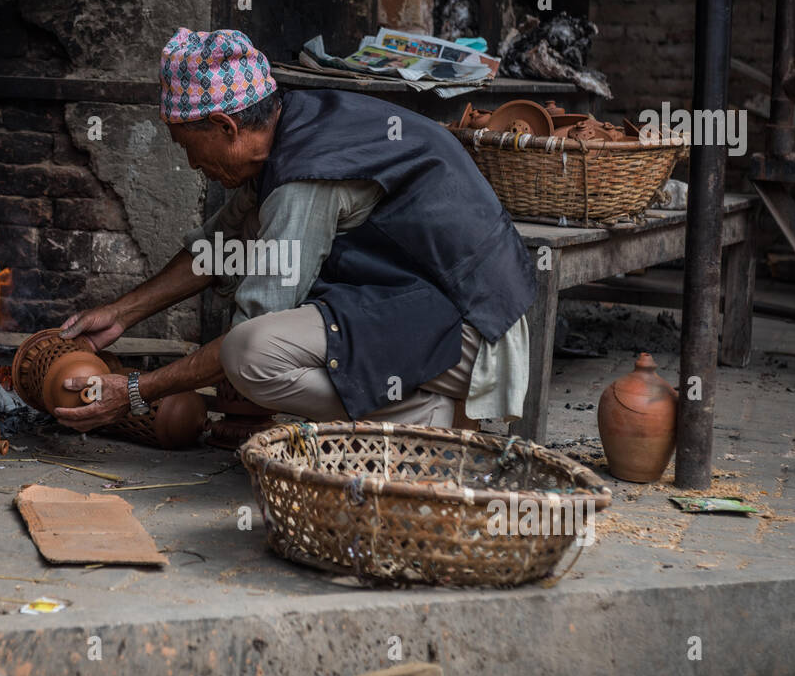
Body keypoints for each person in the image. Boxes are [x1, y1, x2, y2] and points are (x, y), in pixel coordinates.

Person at [53, 27, 534, 433]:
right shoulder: (290, 130)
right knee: (262, 328)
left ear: (225, 126)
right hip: (420, 304)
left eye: (187, 145)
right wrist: (121, 314)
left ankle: (423, 417)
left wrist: (136, 390)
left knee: (251, 354)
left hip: (474, 329)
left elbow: (252, 326)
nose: (193, 164)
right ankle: (394, 407)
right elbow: (219, 250)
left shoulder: (304, 177)